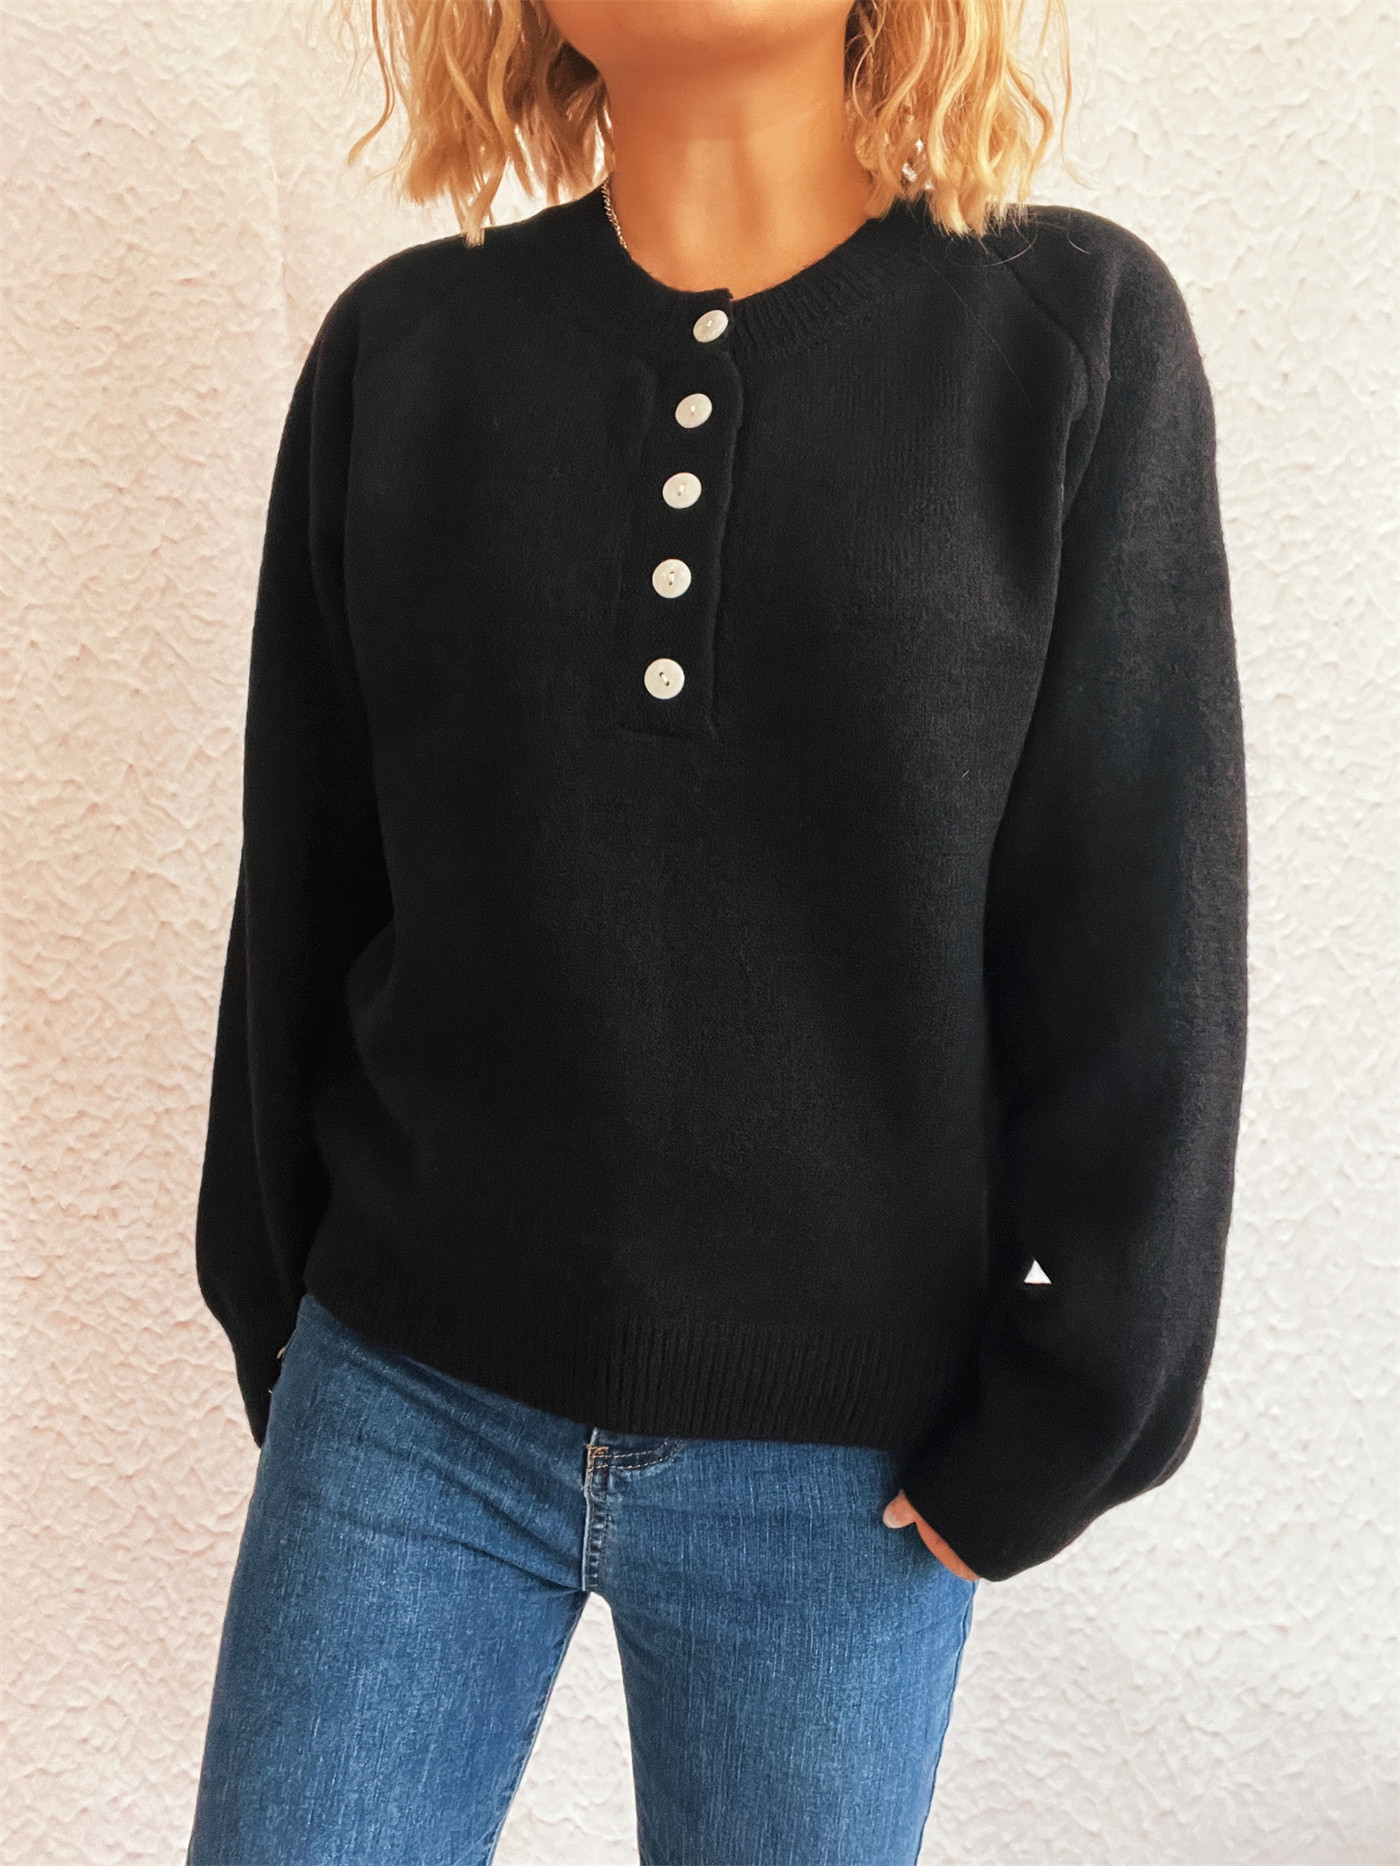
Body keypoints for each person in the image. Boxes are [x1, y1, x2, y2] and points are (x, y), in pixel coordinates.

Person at [185, 1, 1248, 1860]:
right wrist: (281, 1315)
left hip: (847, 1472)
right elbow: (307, 891)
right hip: (405, 1405)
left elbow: (1143, 934)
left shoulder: (1065, 342)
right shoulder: (403, 356)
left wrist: (1071, 1406)